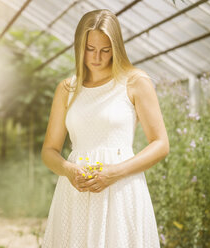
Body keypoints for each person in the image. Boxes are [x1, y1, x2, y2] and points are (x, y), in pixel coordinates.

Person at [41, 9, 169, 248]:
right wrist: (68, 170)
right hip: (76, 193)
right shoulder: (67, 89)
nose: (97, 57)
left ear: (116, 47)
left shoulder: (135, 82)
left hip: (122, 189)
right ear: (79, 46)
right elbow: (49, 150)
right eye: (90, 49)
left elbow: (161, 144)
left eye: (105, 50)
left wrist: (114, 172)